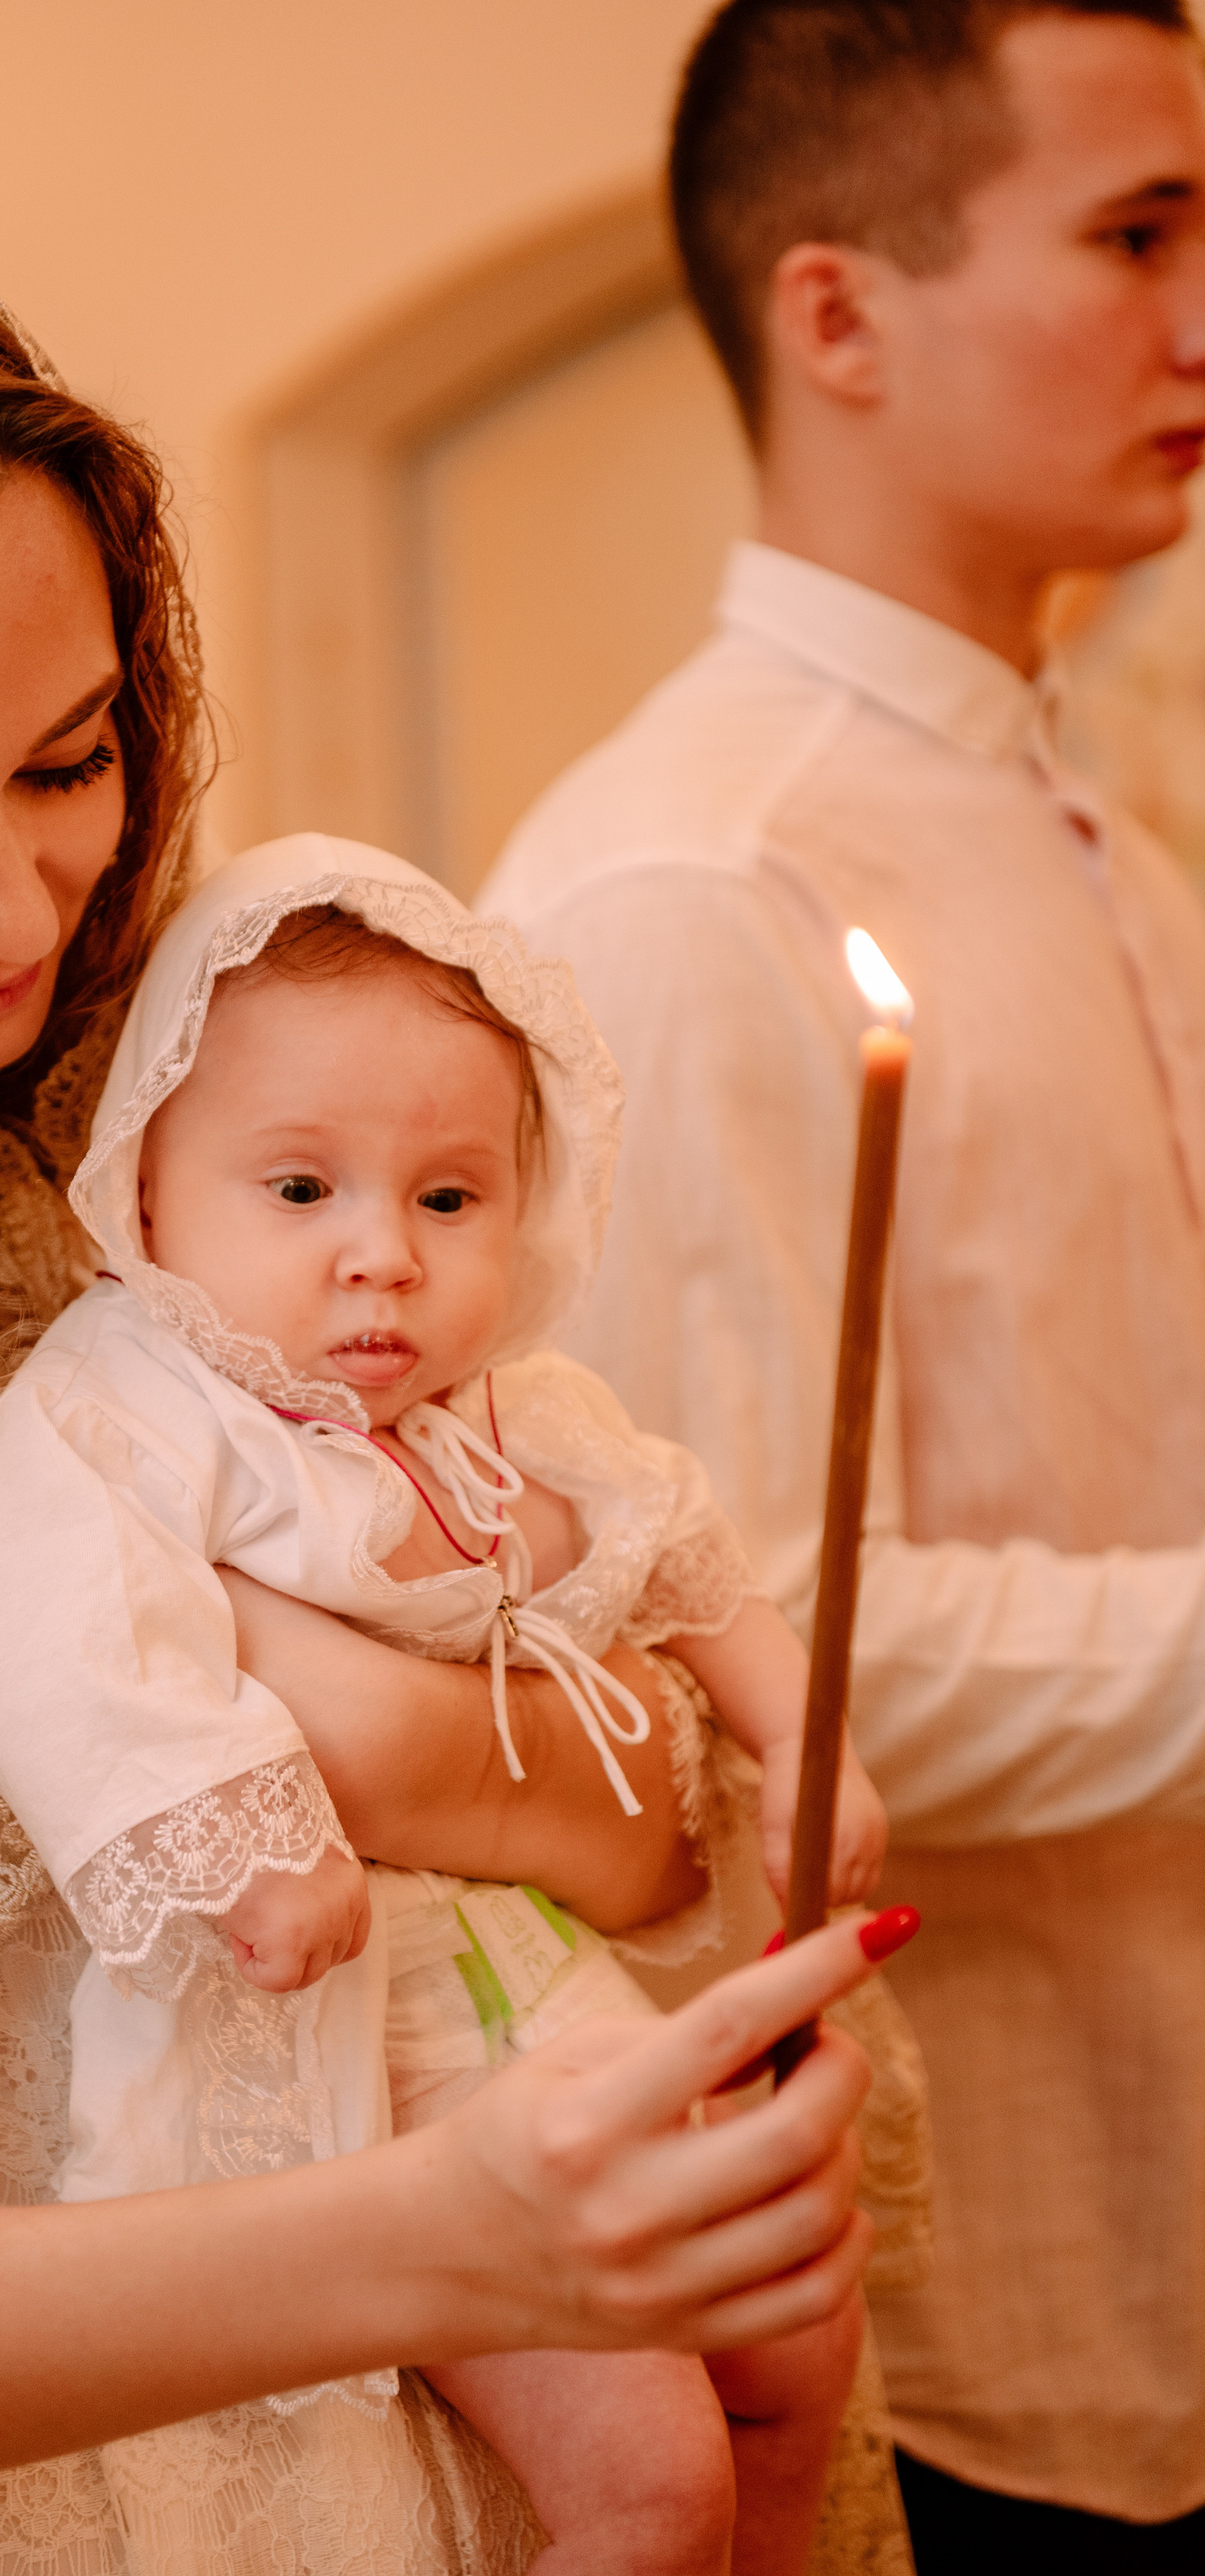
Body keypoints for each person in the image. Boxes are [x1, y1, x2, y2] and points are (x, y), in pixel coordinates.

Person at [0, 222, 886, 2576]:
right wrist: (450, 2235)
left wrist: (492, 1782)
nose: (24, 908)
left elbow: (630, 1755)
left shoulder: (147, 1093)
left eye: (74, 757)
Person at [480, 0, 1205, 2559]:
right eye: (1137, 234)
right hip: (961, 2297)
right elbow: (712, 1650)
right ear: (838, 314)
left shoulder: (1086, 808)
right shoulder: (694, 884)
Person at [0, 839, 897, 2576]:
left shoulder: (513, 1406)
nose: (382, 1256)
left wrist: (785, 1735)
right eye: (301, 1190)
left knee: (796, 2346)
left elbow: (673, 1535)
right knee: (649, 2480)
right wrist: (237, 1829)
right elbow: (55, 1624)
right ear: (147, 1186)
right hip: (381, 2058)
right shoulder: (135, 1404)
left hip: (541, 1981)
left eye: (447, 1199)